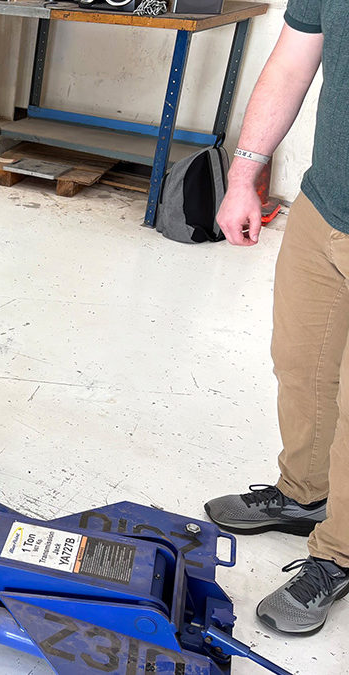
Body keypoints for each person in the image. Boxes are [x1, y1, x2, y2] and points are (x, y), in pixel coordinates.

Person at [205, 0, 349, 636]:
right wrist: (245, 174)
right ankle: (304, 494)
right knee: (301, 363)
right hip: (326, 208)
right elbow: (294, 58)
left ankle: (339, 553)